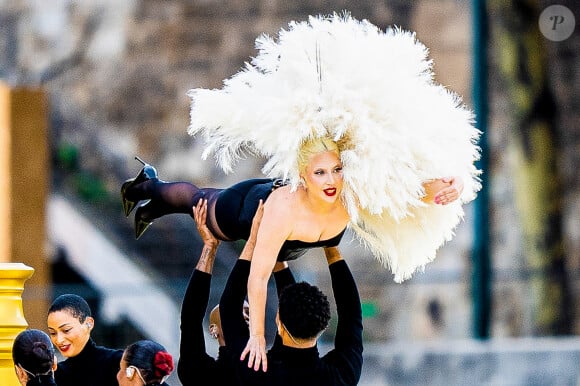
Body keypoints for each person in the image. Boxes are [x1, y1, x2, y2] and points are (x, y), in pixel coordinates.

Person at [122, 13, 482, 371]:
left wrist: (457, 184)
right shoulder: (283, 209)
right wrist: (258, 337)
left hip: (286, 242)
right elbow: (258, 274)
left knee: (201, 204)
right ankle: (147, 185)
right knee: (201, 204)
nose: (330, 180)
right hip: (249, 210)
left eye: (337, 170)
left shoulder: (349, 194)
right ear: (302, 176)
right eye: (320, 172)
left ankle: (150, 207)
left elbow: (407, 190)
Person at [218, 201, 363, 385]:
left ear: (278, 320)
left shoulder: (256, 369)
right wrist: (330, 244)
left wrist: (257, 241)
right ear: (322, 327)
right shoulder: (341, 377)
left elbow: (351, 313)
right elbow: (352, 314)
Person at [177, 198, 295, 385]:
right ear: (213, 330)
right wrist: (210, 248)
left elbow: (292, 317)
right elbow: (191, 318)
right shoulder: (200, 373)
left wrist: (273, 249)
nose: (245, 316)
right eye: (240, 311)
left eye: (248, 312)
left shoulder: (268, 367)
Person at [47, 293, 123, 386]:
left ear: (89, 323)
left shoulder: (118, 362)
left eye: (66, 330)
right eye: (53, 333)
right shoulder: (55, 373)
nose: (59, 340)